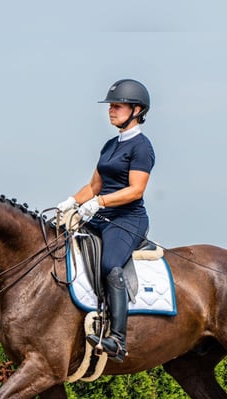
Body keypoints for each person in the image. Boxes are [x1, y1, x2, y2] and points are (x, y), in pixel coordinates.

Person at [56, 78, 155, 362]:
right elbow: (94, 185)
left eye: (117, 106)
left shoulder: (141, 147)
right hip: (100, 215)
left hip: (127, 219)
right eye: (111, 106)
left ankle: (118, 339)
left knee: (111, 265)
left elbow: (136, 190)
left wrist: (98, 203)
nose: (111, 110)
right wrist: (72, 202)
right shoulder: (111, 145)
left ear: (136, 110)